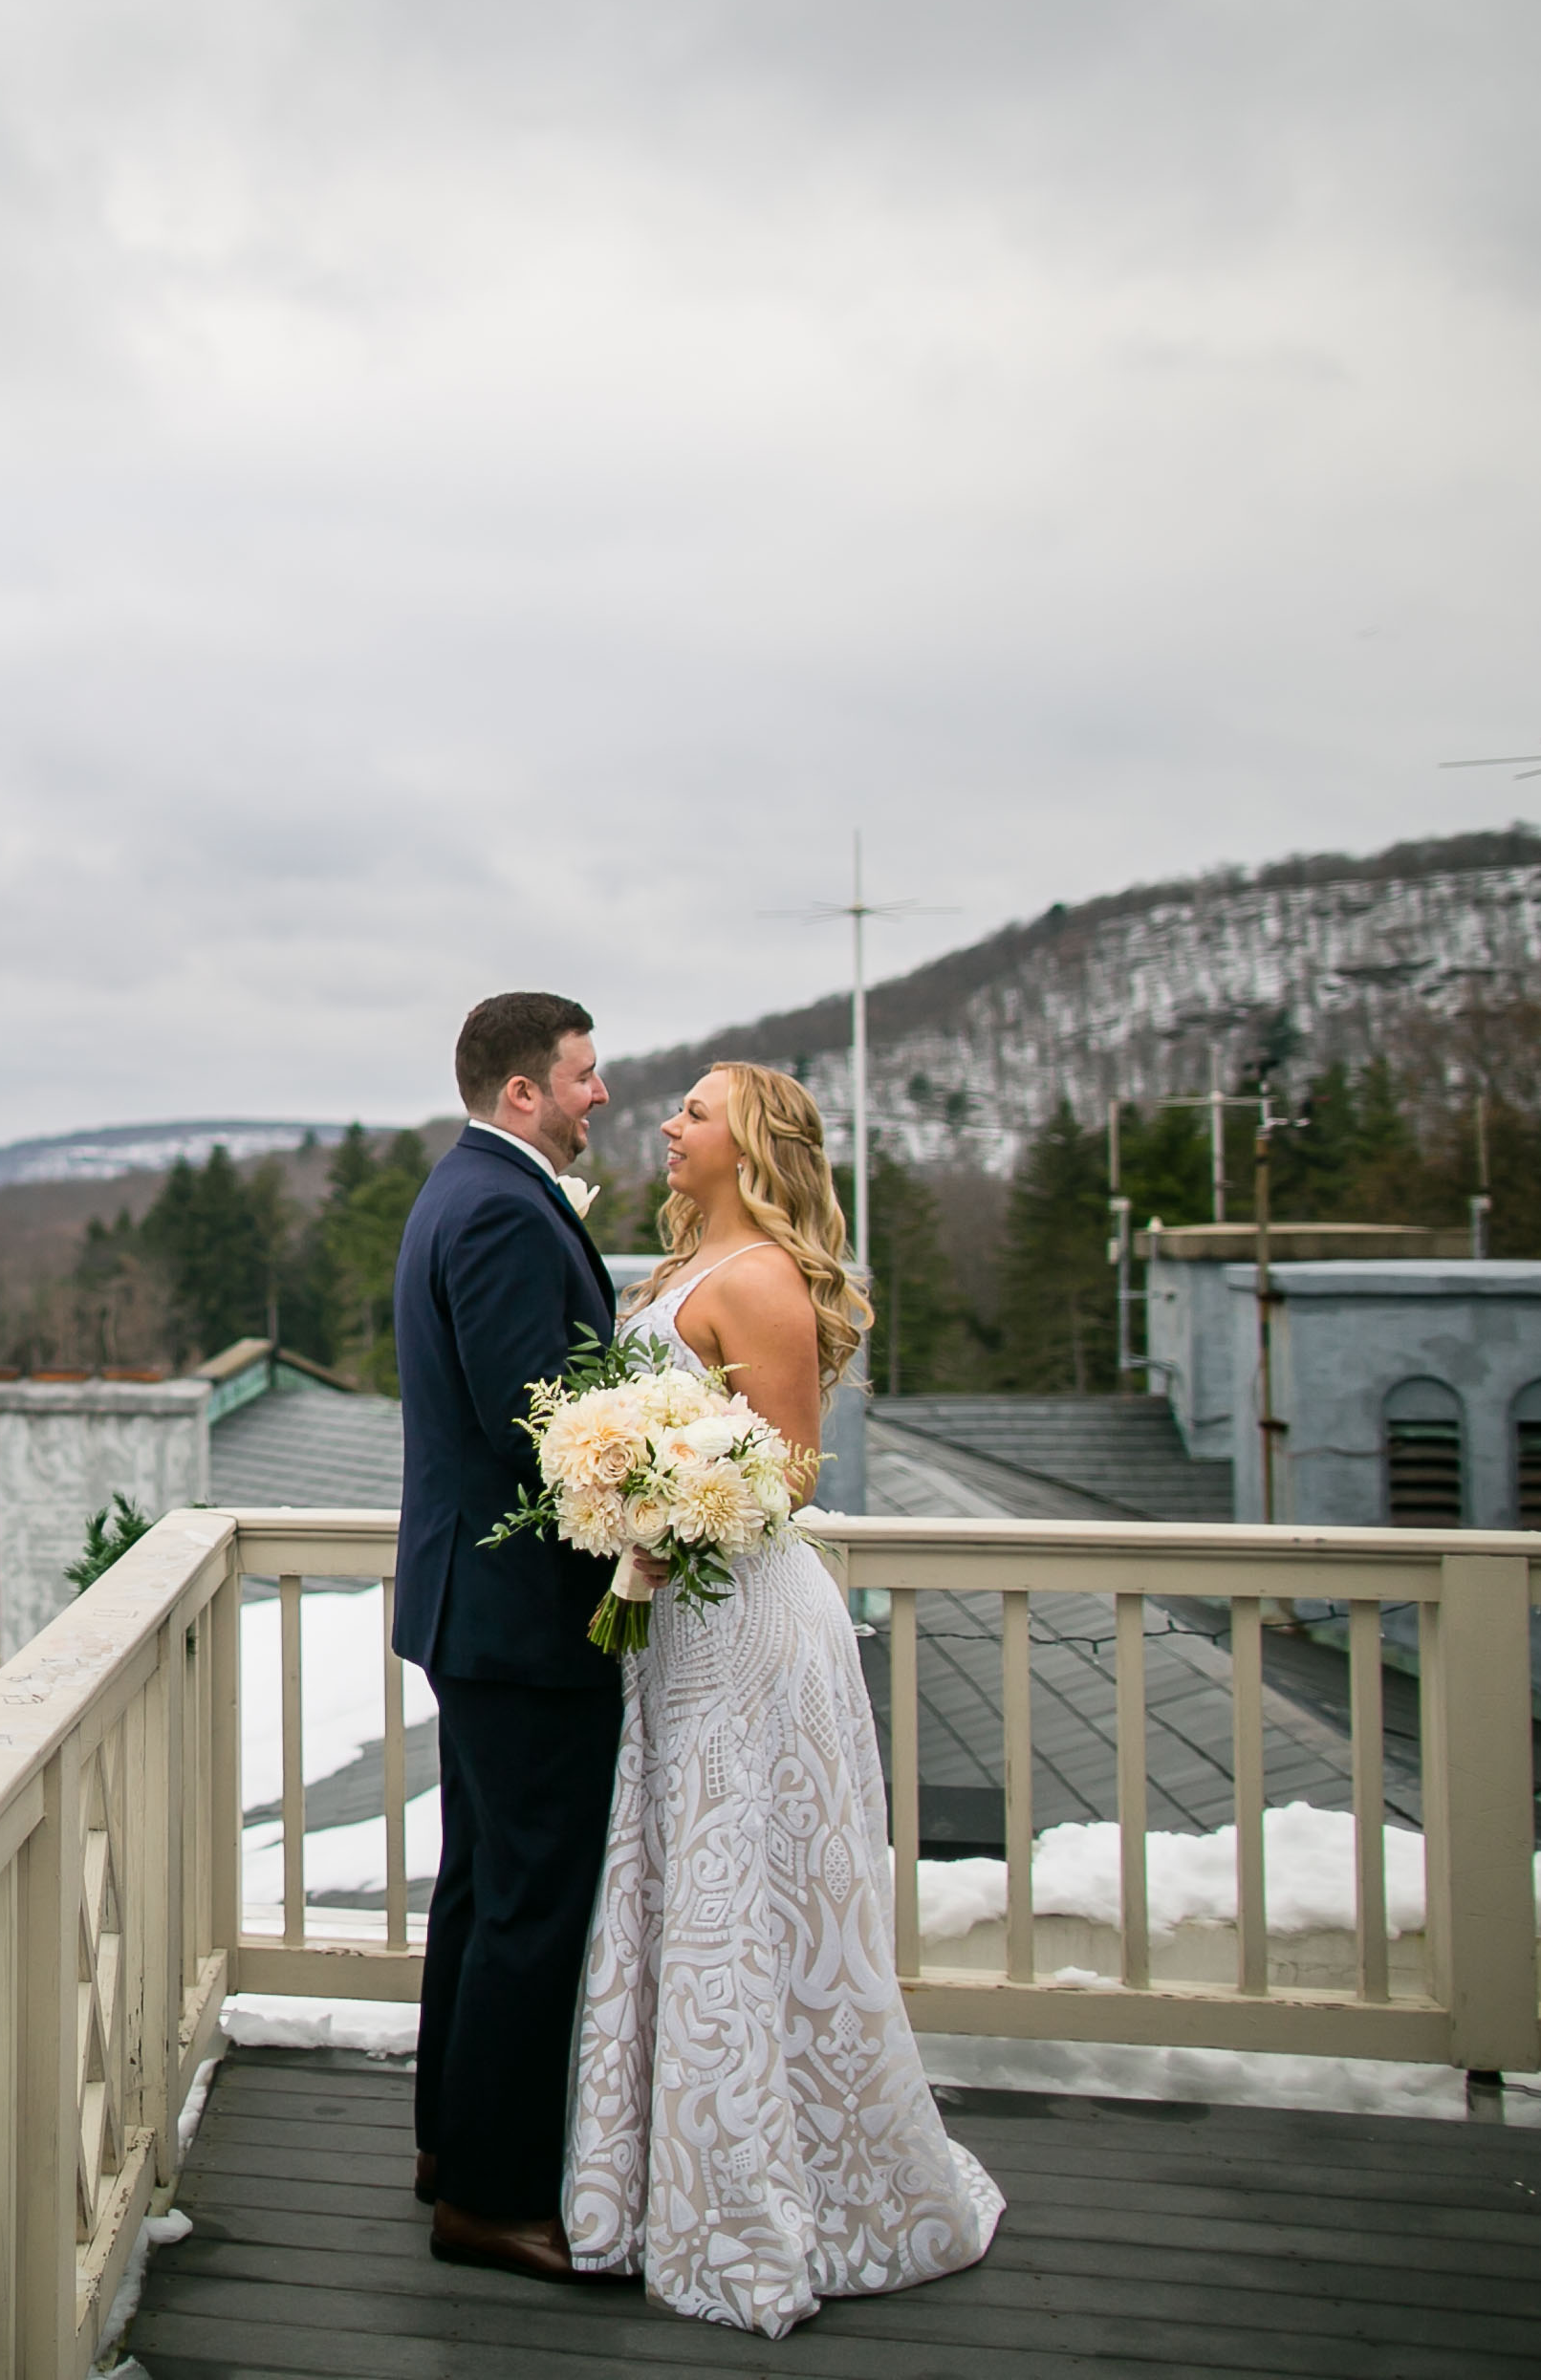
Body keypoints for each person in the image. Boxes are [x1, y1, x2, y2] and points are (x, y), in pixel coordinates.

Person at [562, 1061, 1005, 2334]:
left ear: (748, 1142)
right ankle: (671, 2186)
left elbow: (793, 1470)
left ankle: (759, 2208)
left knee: (737, 1892)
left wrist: (666, 1507)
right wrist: (620, 1499)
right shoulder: (676, 1274)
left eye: (694, 1112)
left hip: (748, 1619)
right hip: (681, 1623)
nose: (668, 1124)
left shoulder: (757, 1280)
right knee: (692, 1879)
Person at [390, 991, 627, 2281]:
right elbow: (539, 1427)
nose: (601, 1096)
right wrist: (656, 1494)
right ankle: (490, 2196)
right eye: (585, 1077)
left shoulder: (467, 1190)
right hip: (521, 1619)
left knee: (485, 1892)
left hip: (475, 1611)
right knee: (532, 1907)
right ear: (524, 1091)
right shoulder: (496, 1209)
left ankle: (450, 2141)